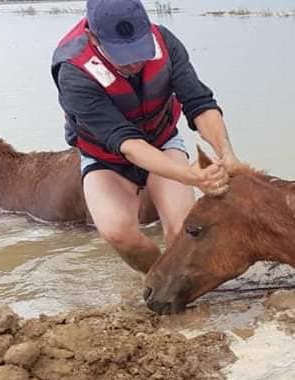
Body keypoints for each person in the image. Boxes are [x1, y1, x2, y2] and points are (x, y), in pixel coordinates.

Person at [51, 0, 238, 273]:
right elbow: (126, 142)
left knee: (182, 231)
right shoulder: (73, 70)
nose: (135, 63)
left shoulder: (165, 41)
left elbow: (199, 102)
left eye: (140, 51)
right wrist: (192, 176)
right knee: (119, 233)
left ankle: (186, 283)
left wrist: (226, 153)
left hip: (160, 140)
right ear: (92, 37)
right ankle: (158, 278)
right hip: (108, 156)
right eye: (122, 55)